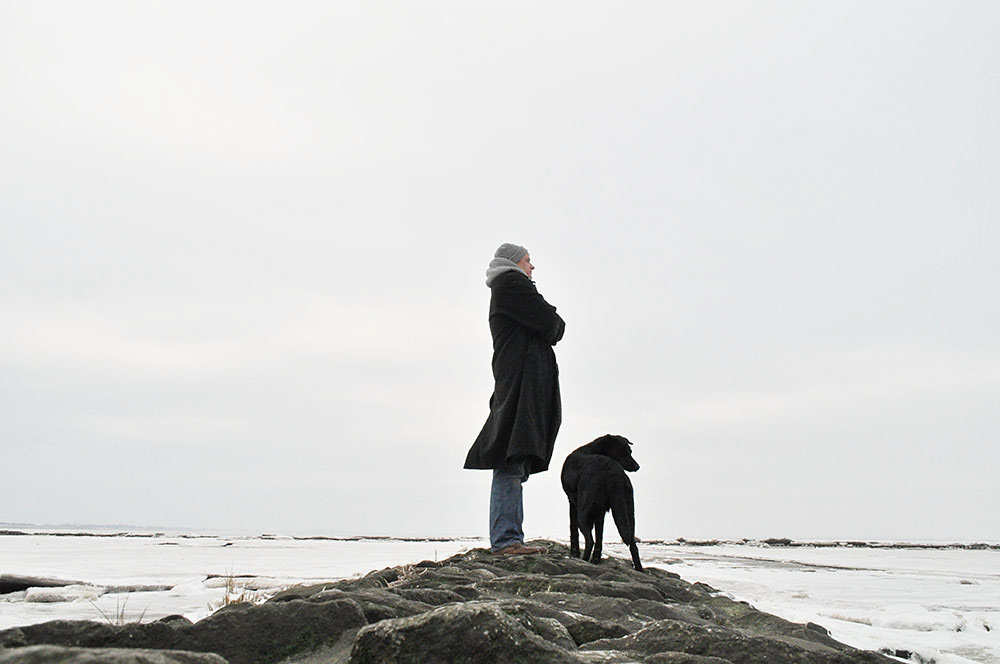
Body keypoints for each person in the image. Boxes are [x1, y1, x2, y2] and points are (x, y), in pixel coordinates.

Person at [464, 243, 566, 555]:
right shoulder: (512, 283)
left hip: (520, 383)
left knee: (515, 458)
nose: (532, 266)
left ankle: (510, 538)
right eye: (528, 260)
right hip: (519, 385)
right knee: (511, 458)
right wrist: (550, 318)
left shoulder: (510, 287)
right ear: (513, 262)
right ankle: (506, 540)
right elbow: (553, 325)